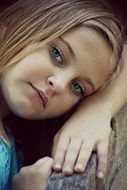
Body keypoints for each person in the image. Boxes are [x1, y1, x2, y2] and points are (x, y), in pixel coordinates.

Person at [0, 0, 124, 189]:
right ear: (16, 24)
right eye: (57, 54)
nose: (58, 84)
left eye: (77, 87)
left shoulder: (14, 145)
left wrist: (98, 109)